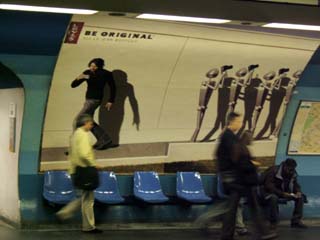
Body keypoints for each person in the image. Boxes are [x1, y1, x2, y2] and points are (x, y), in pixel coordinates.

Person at [216, 112, 276, 240]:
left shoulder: (229, 136)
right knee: (237, 208)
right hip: (237, 179)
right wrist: (251, 164)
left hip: (238, 179)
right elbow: (236, 159)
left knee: (236, 208)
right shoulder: (228, 137)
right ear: (232, 122)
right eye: (239, 121)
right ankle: (262, 233)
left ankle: (230, 235)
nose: (241, 123)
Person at [56, 114, 102, 233]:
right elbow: (84, 154)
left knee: (84, 197)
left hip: (76, 170)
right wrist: (93, 164)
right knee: (88, 199)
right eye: (90, 123)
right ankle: (87, 226)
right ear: (85, 123)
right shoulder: (83, 135)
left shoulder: (74, 135)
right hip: (85, 169)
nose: (91, 126)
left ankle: (66, 213)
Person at [71, 58, 116, 150]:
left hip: (95, 100)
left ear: (99, 66)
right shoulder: (87, 72)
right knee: (88, 121)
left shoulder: (106, 74)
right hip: (88, 100)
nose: (92, 67)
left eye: (94, 66)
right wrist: (78, 78)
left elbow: (112, 87)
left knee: (78, 120)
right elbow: (73, 85)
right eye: (91, 65)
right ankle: (105, 139)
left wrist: (111, 100)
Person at [259, 158, 307, 229]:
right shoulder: (273, 171)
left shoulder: (292, 172)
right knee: (273, 198)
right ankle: (273, 222)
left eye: (292, 169)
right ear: (285, 166)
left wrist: (298, 191)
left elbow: (295, 184)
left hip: (284, 193)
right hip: (268, 192)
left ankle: (296, 221)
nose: (291, 171)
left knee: (301, 197)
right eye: (290, 169)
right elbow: (269, 186)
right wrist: (282, 194)